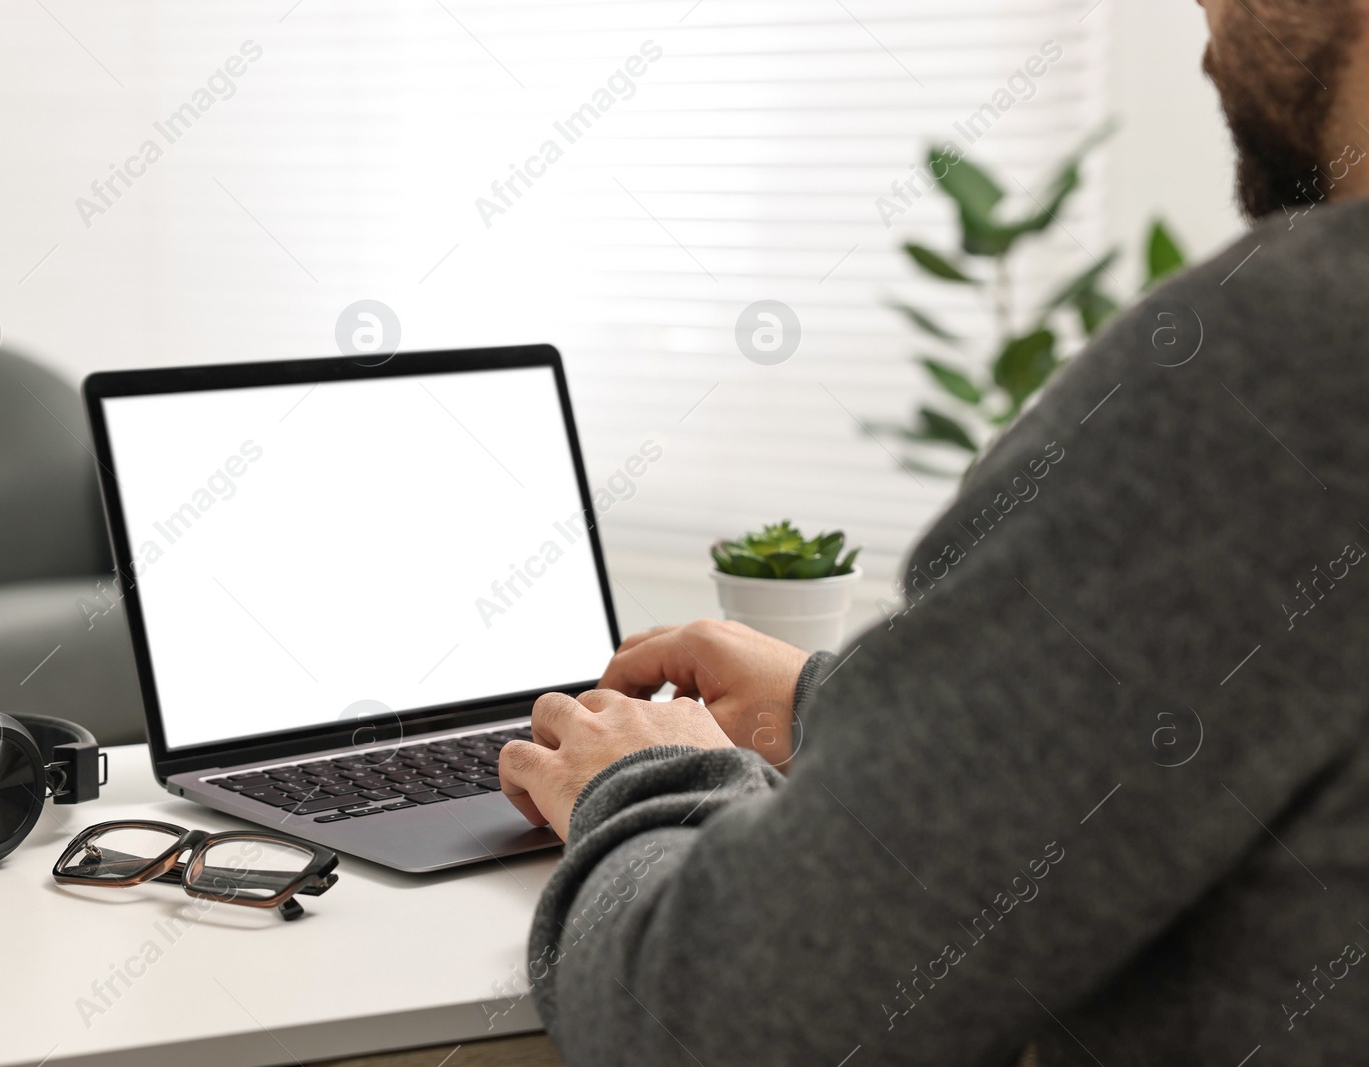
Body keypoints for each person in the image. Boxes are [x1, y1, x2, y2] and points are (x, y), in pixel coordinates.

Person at [495, 1, 1369, 1063]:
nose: (1204, 19)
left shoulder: (1291, 363)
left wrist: (635, 780)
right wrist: (838, 705)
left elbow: (727, 1017)